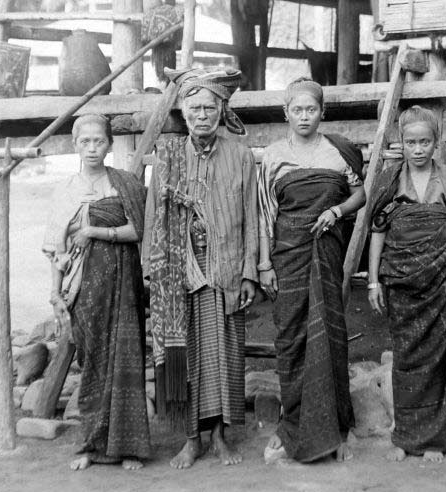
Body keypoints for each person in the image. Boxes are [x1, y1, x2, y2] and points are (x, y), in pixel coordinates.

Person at [143, 68, 258, 469]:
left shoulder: (241, 157)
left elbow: (252, 216)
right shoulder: (168, 157)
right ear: (183, 112)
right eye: (194, 109)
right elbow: (153, 213)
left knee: (226, 356)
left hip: (223, 270)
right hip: (178, 273)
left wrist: (249, 273)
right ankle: (191, 439)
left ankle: (220, 437)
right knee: (188, 357)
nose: (203, 116)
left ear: (222, 111)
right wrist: (150, 268)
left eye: (210, 107)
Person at [367, 106, 446, 463]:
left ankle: (436, 437)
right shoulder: (391, 179)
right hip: (402, 283)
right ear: (401, 143)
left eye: (425, 142)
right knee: (406, 360)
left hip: (444, 280)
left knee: (440, 360)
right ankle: (406, 436)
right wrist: (373, 281)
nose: (418, 149)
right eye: (411, 142)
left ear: (436, 143)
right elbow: (378, 232)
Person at [258, 77, 366, 463]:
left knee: (327, 334)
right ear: (285, 113)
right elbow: (265, 214)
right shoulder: (272, 156)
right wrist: (264, 264)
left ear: (323, 112)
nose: (304, 117)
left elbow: (361, 193)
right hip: (287, 254)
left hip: (325, 252)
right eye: (297, 110)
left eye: (311, 110)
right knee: (290, 337)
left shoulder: (339, 153)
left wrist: (336, 211)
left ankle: (335, 426)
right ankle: (291, 425)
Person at [43, 114, 150, 471]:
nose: (92, 148)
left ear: (110, 144)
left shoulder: (125, 184)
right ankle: (90, 445)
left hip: (123, 286)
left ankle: (130, 448)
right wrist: (56, 296)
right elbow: (55, 251)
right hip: (83, 288)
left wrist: (97, 233)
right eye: (85, 142)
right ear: (75, 144)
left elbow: (140, 231)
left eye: (99, 141)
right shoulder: (65, 190)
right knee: (91, 366)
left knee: (127, 359)